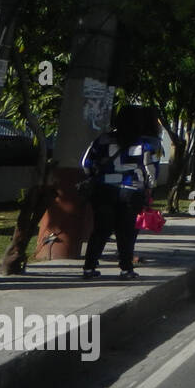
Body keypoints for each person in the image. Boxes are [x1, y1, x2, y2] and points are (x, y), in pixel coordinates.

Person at [81, 105, 162, 280]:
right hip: (132, 192)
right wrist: (148, 186)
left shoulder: (102, 139)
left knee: (100, 230)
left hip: (104, 190)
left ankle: (89, 268)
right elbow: (151, 170)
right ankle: (126, 269)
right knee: (126, 232)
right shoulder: (145, 143)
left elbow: (86, 163)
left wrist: (98, 177)